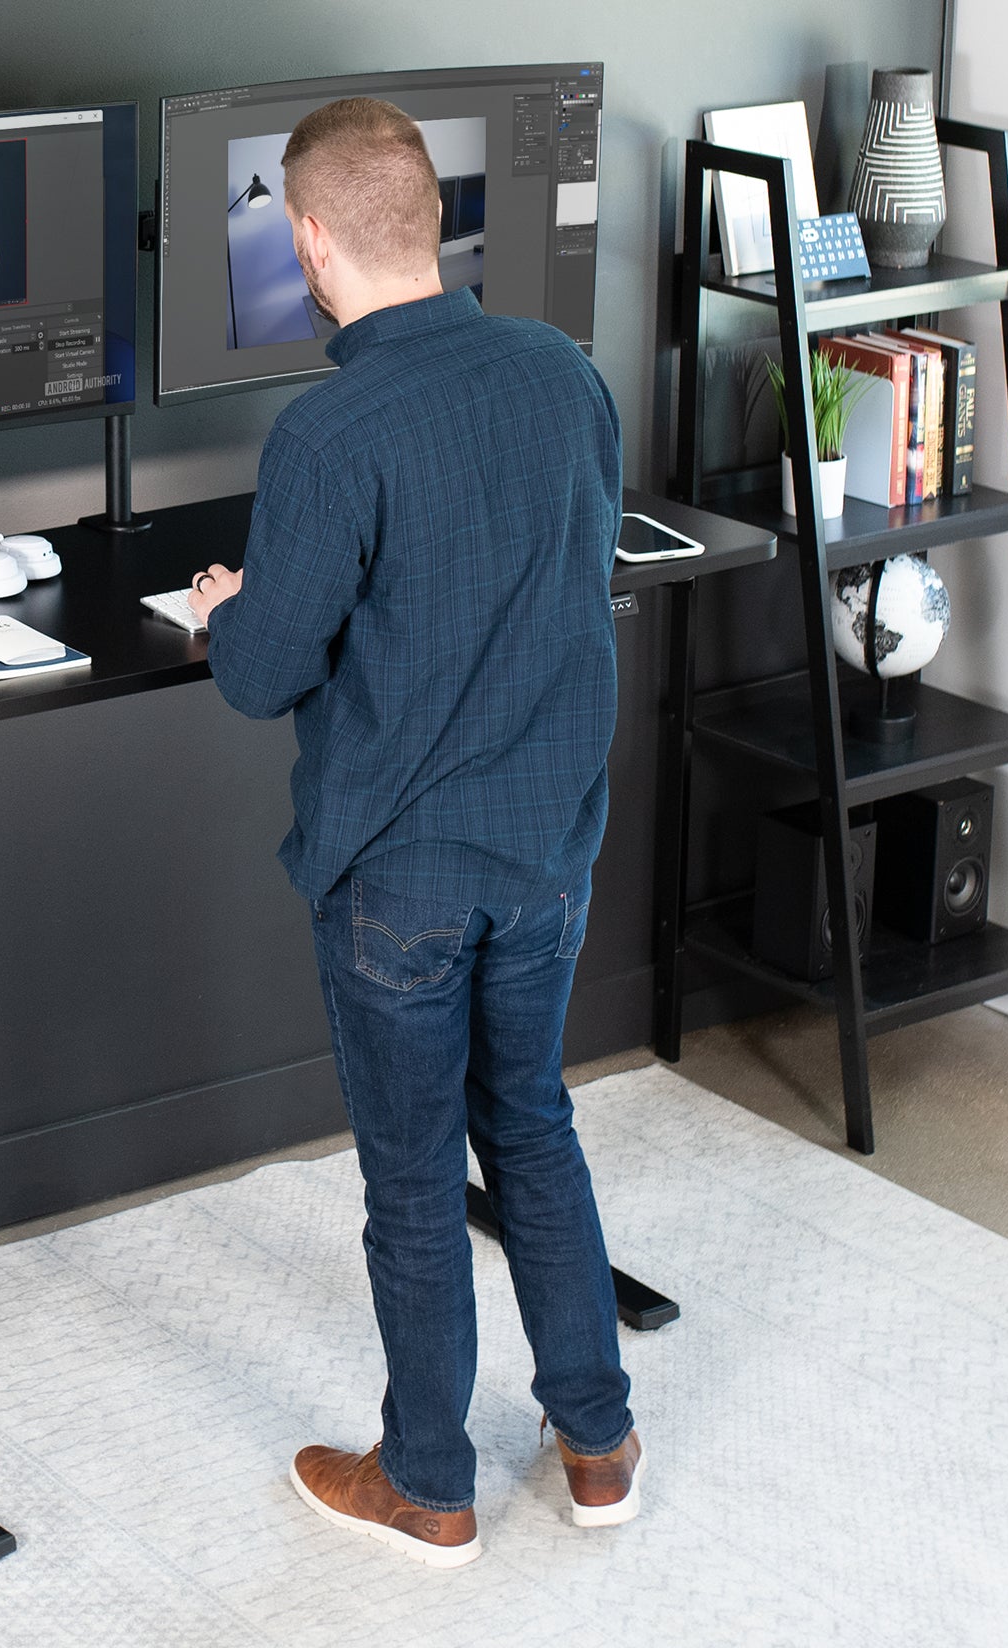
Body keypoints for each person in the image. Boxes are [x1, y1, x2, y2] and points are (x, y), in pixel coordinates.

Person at [186, 97, 641, 1569]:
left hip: (406, 880)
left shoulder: (330, 430)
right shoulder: (565, 375)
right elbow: (564, 570)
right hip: (550, 850)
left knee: (410, 1182)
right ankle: (597, 1441)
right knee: (534, 1130)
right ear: (430, 220)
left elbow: (264, 677)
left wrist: (221, 614)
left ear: (310, 241)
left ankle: (429, 1481)